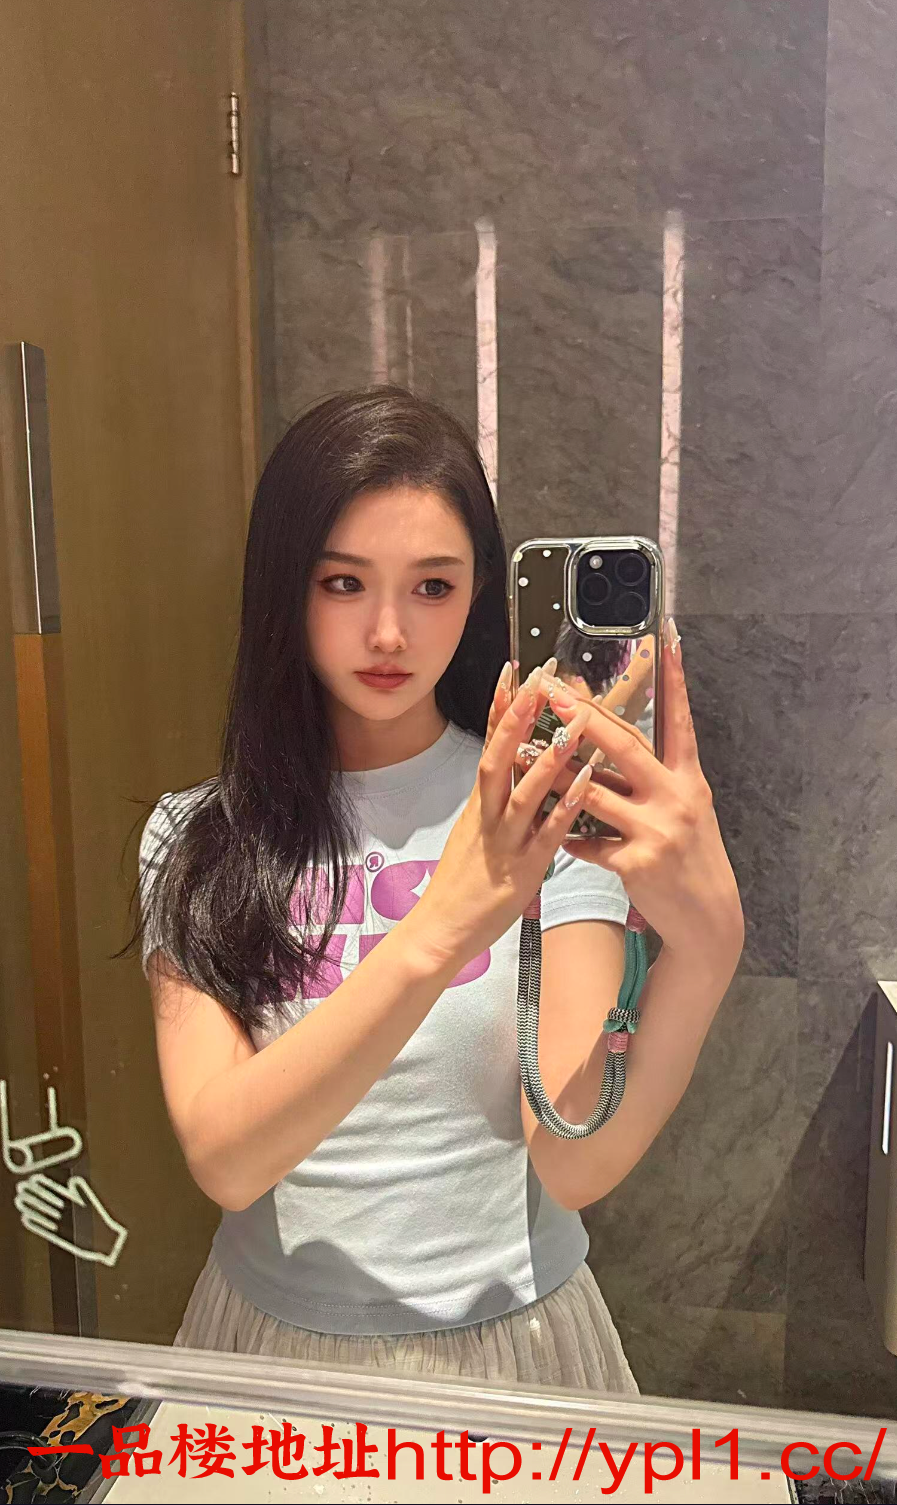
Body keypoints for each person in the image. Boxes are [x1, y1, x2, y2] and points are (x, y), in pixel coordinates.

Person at [132, 386, 743, 1389]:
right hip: (270, 1345)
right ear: (283, 587)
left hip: (509, 1345)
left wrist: (710, 947)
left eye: (432, 586)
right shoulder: (198, 836)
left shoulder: (545, 806)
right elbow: (227, 1160)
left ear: (478, 594)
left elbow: (572, 1162)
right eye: (343, 582)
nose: (388, 632)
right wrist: (444, 921)